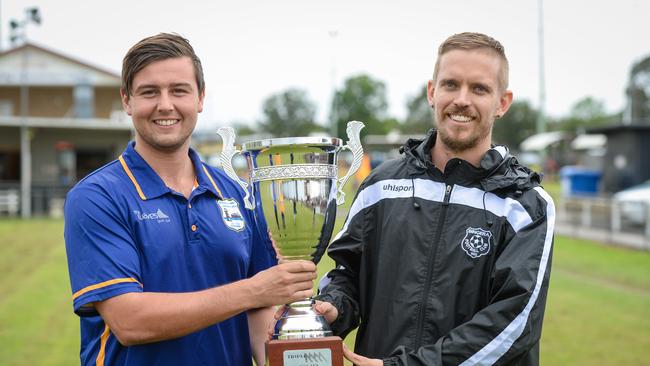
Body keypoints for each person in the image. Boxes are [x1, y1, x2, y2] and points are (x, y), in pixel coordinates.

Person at [64, 33, 317, 366]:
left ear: (200, 98)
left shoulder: (237, 193)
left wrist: (300, 335)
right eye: (149, 92)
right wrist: (251, 291)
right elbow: (130, 321)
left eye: (179, 90)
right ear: (127, 101)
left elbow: (260, 309)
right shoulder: (98, 197)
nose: (165, 105)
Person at [315, 32, 556, 365]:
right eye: (451, 84)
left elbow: (513, 324)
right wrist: (334, 306)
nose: (462, 100)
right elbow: (347, 274)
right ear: (432, 91)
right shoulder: (380, 185)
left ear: (502, 102)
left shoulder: (525, 205)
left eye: (480, 88)